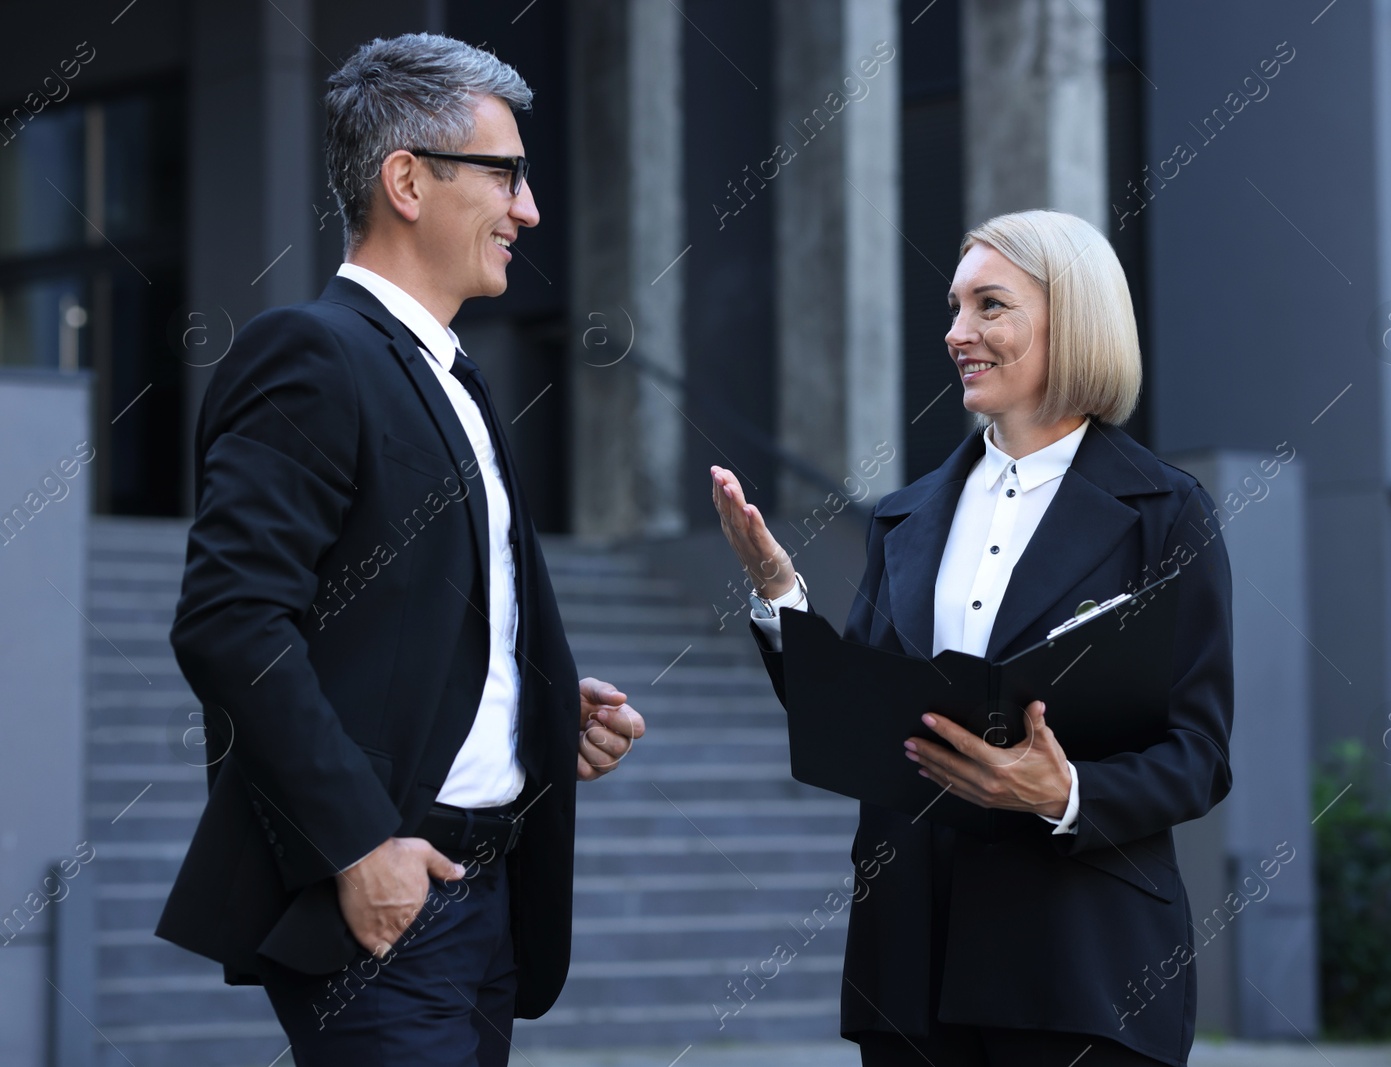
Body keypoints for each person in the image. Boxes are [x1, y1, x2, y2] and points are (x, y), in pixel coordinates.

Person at [156, 34, 645, 1066]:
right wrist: (357, 841)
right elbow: (231, 619)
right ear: (408, 181)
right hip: (386, 898)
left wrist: (538, 708)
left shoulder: (453, 375)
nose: (529, 210)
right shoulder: (312, 355)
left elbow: (401, 626)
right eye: (506, 175)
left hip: (483, 900)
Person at [711, 210, 1232, 1066]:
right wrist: (778, 590)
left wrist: (1059, 789)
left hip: (1081, 965)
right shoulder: (906, 515)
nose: (958, 334)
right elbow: (859, 714)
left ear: (1071, 320)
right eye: (954, 308)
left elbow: (1198, 754)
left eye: (990, 306)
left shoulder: (1166, 514)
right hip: (911, 956)